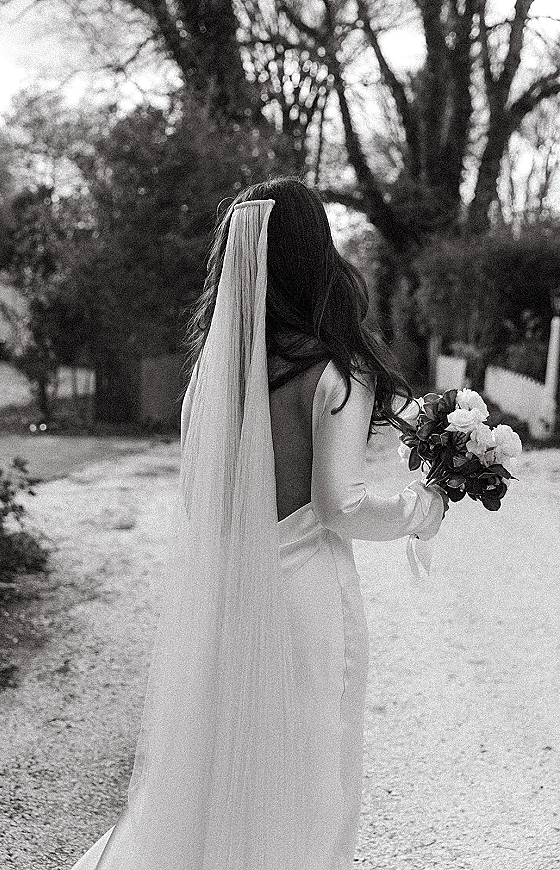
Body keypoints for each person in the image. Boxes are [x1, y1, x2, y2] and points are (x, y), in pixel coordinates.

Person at [70, 177, 447, 870]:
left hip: (227, 600)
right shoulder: (336, 370)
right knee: (312, 773)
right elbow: (342, 507)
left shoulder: (208, 379)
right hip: (308, 606)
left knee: (222, 769)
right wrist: (425, 508)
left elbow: (198, 507)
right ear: (314, 255)